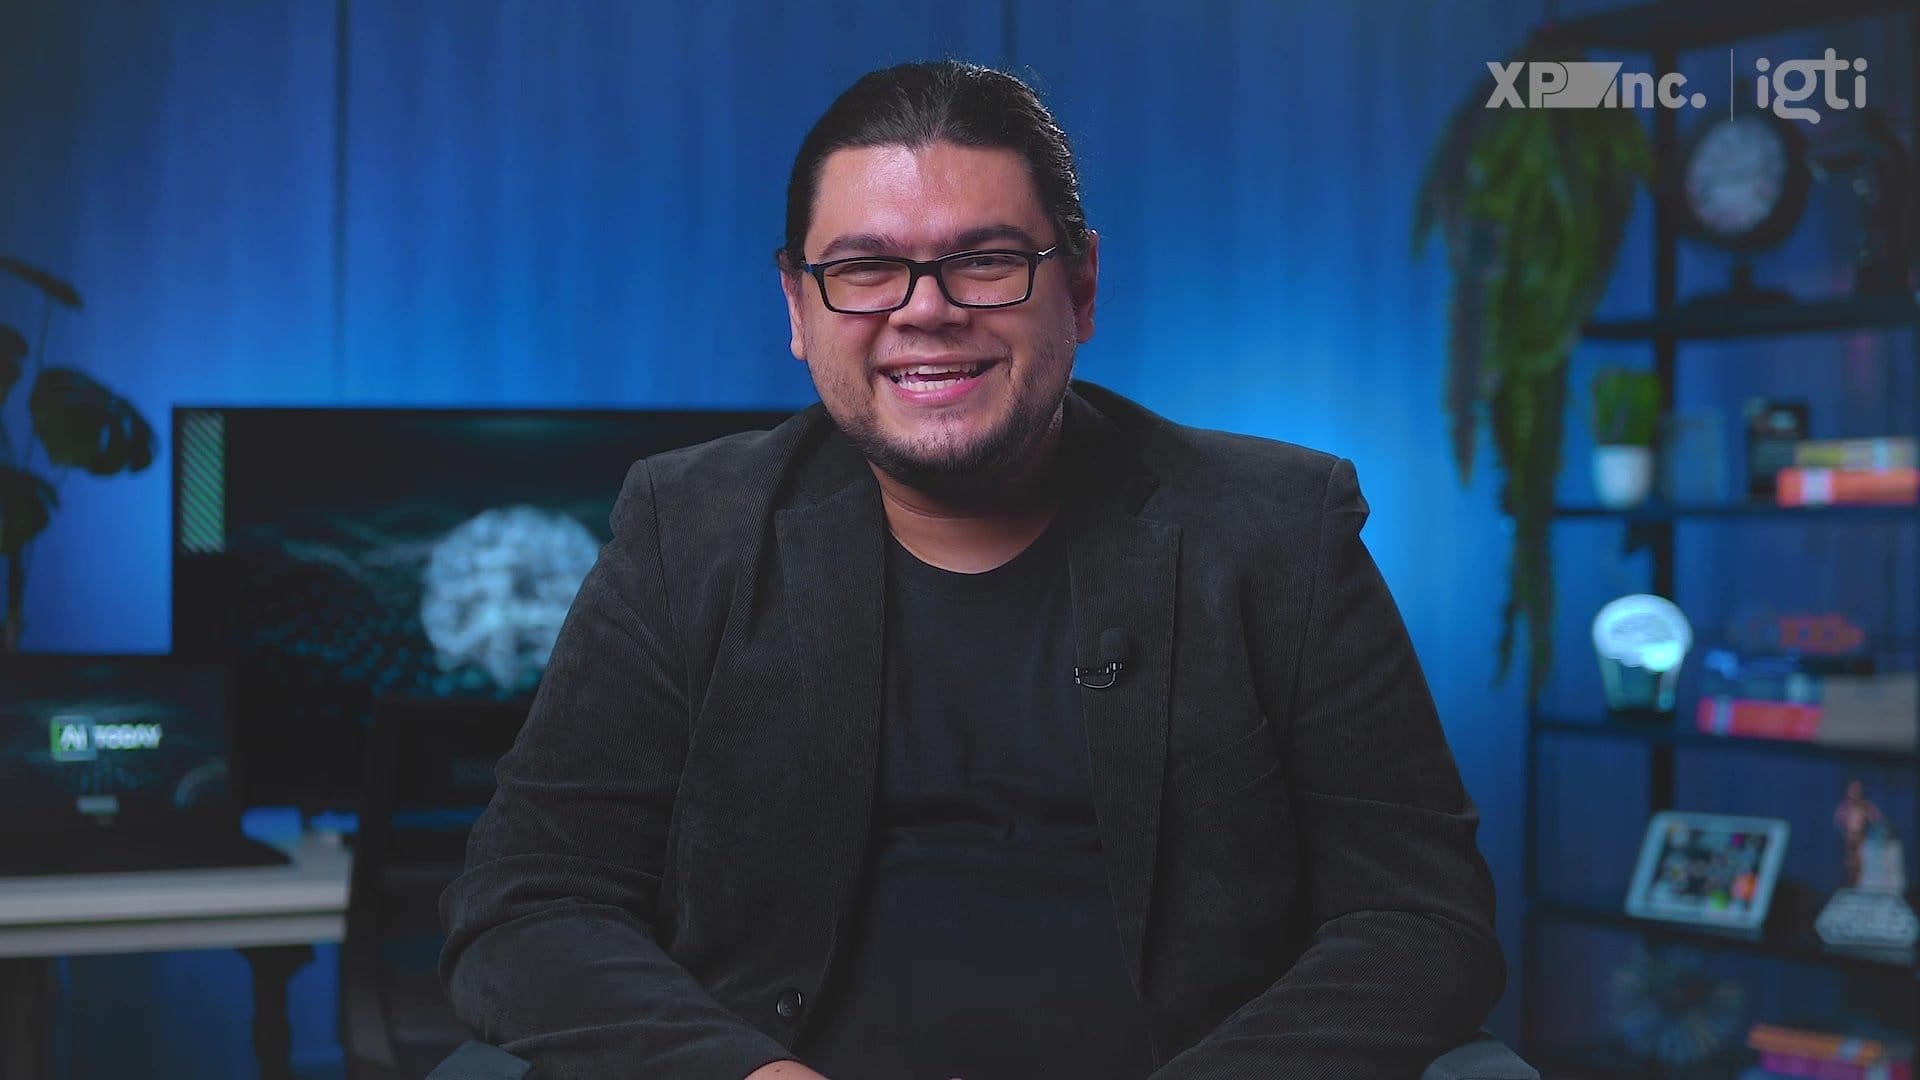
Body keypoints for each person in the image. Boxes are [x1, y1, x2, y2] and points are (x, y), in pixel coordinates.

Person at [439, 59, 1504, 1080]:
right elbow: (528, 906)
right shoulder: (689, 533)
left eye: (986, 260)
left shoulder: (1278, 534)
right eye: (863, 268)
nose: (924, 309)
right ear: (798, 309)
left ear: (1080, 287)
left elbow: (1419, 922)